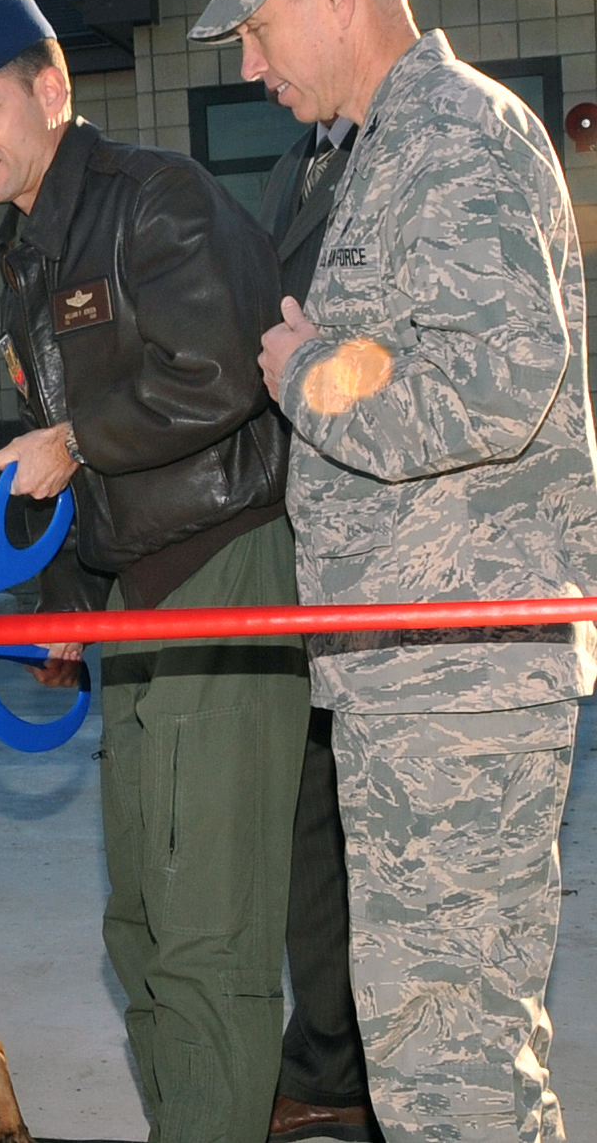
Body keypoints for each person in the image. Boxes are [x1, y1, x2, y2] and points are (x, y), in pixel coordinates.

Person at [192, 0, 597, 1143]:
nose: (250, 65)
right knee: (429, 1052)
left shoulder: (450, 136)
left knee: (453, 1068)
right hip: (416, 670)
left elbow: (498, 388)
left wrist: (307, 374)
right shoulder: (387, 150)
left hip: (458, 680)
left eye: (254, 28)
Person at [0, 0, 310, 1143]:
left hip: (219, 574)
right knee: (137, 922)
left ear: (50, 91)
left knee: (202, 925)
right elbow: (91, 479)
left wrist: (76, 439)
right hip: (136, 596)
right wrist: (67, 607)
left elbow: (218, 374)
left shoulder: (150, 202)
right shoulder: (30, 246)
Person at [256, 112, 382, 1143]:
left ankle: (384, 1069)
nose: (251, 64)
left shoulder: (416, 148)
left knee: (390, 846)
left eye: (259, 25)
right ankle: (330, 1064)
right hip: (307, 567)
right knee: (310, 836)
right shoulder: (293, 163)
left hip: (397, 578)